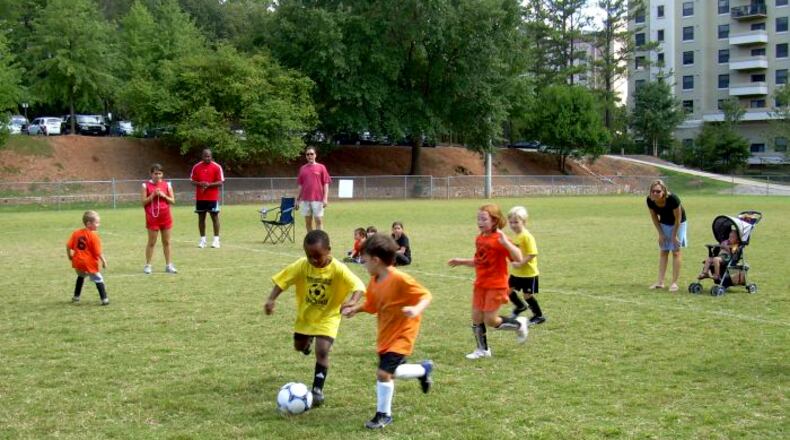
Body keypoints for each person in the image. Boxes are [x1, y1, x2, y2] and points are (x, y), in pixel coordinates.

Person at [341, 233, 433, 430]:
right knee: (392, 371)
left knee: (384, 373)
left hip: (403, 333)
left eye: (364, 261)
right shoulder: (375, 281)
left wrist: (416, 309)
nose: (362, 264)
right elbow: (373, 305)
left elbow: (426, 295)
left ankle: (384, 415)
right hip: (386, 334)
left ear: (376, 260)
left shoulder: (399, 278)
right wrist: (354, 309)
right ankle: (423, 370)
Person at [264, 230, 365, 407]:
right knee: (299, 347)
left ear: (329, 250)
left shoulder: (338, 268)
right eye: (309, 256)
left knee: (323, 350)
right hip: (306, 317)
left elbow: (358, 286)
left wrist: (352, 301)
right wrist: (271, 299)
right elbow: (283, 281)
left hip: (329, 317)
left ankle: (317, 389)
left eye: (317, 256)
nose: (314, 260)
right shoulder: (302, 265)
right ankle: (307, 341)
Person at [448, 204, 528, 360]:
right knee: (476, 317)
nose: (480, 222)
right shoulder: (480, 238)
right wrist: (462, 261)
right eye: (478, 219)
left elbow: (518, 258)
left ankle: (519, 324)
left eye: (484, 219)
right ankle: (482, 350)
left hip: (496, 285)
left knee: (490, 320)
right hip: (481, 283)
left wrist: (507, 244)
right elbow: (480, 261)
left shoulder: (500, 239)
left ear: (495, 220)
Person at [506, 206, 545, 326]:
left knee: (527, 296)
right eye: (511, 222)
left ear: (524, 222)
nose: (513, 225)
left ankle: (539, 316)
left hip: (528, 273)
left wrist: (520, 263)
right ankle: (520, 306)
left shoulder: (526, 236)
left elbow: (532, 254)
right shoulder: (516, 235)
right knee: (507, 291)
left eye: (516, 222)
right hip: (516, 272)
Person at [646, 179, 687, 292]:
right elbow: (654, 217)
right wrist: (661, 234)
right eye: (653, 191)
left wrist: (674, 236)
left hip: (678, 223)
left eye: (658, 191)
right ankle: (660, 282)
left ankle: (674, 283)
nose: (655, 193)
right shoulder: (650, 200)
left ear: (664, 191)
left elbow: (678, 219)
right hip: (664, 223)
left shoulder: (673, 199)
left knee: (675, 251)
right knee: (664, 251)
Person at [66, 210, 109, 305]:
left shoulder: (76, 233)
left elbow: (68, 245)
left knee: (81, 276)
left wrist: (69, 255)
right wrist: (104, 261)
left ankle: (76, 296)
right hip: (88, 263)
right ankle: (104, 299)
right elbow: (98, 252)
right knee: (99, 279)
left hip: (77, 262)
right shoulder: (94, 236)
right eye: (97, 223)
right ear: (89, 223)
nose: (99, 225)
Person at [142, 164, 177, 274]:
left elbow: (173, 201)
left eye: (159, 173)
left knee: (166, 242)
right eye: (155, 173)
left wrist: (164, 196)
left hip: (165, 216)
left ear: (162, 174)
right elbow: (143, 202)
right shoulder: (145, 185)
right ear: (151, 174)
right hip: (152, 217)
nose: (157, 176)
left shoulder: (167, 185)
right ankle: (148, 265)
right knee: (152, 242)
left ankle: (168, 265)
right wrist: (152, 195)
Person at [190, 148, 224, 248]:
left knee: (214, 217)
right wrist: (200, 183)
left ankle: (216, 240)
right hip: (200, 198)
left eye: (209, 156)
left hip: (212, 198)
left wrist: (209, 185)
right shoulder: (196, 167)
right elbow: (192, 181)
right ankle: (202, 240)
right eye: (205, 156)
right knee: (201, 218)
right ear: (202, 156)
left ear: (211, 156)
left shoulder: (217, 167)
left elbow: (221, 182)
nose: (207, 158)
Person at [296, 146, 331, 232]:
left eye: (311, 154)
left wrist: (325, 198)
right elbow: (300, 185)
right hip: (305, 200)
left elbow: (326, 184)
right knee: (308, 222)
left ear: (315, 155)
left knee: (318, 221)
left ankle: (320, 240)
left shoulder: (321, 167)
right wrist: (297, 199)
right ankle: (311, 241)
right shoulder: (302, 169)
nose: (309, 156)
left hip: (318, 199)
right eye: (307, 154)